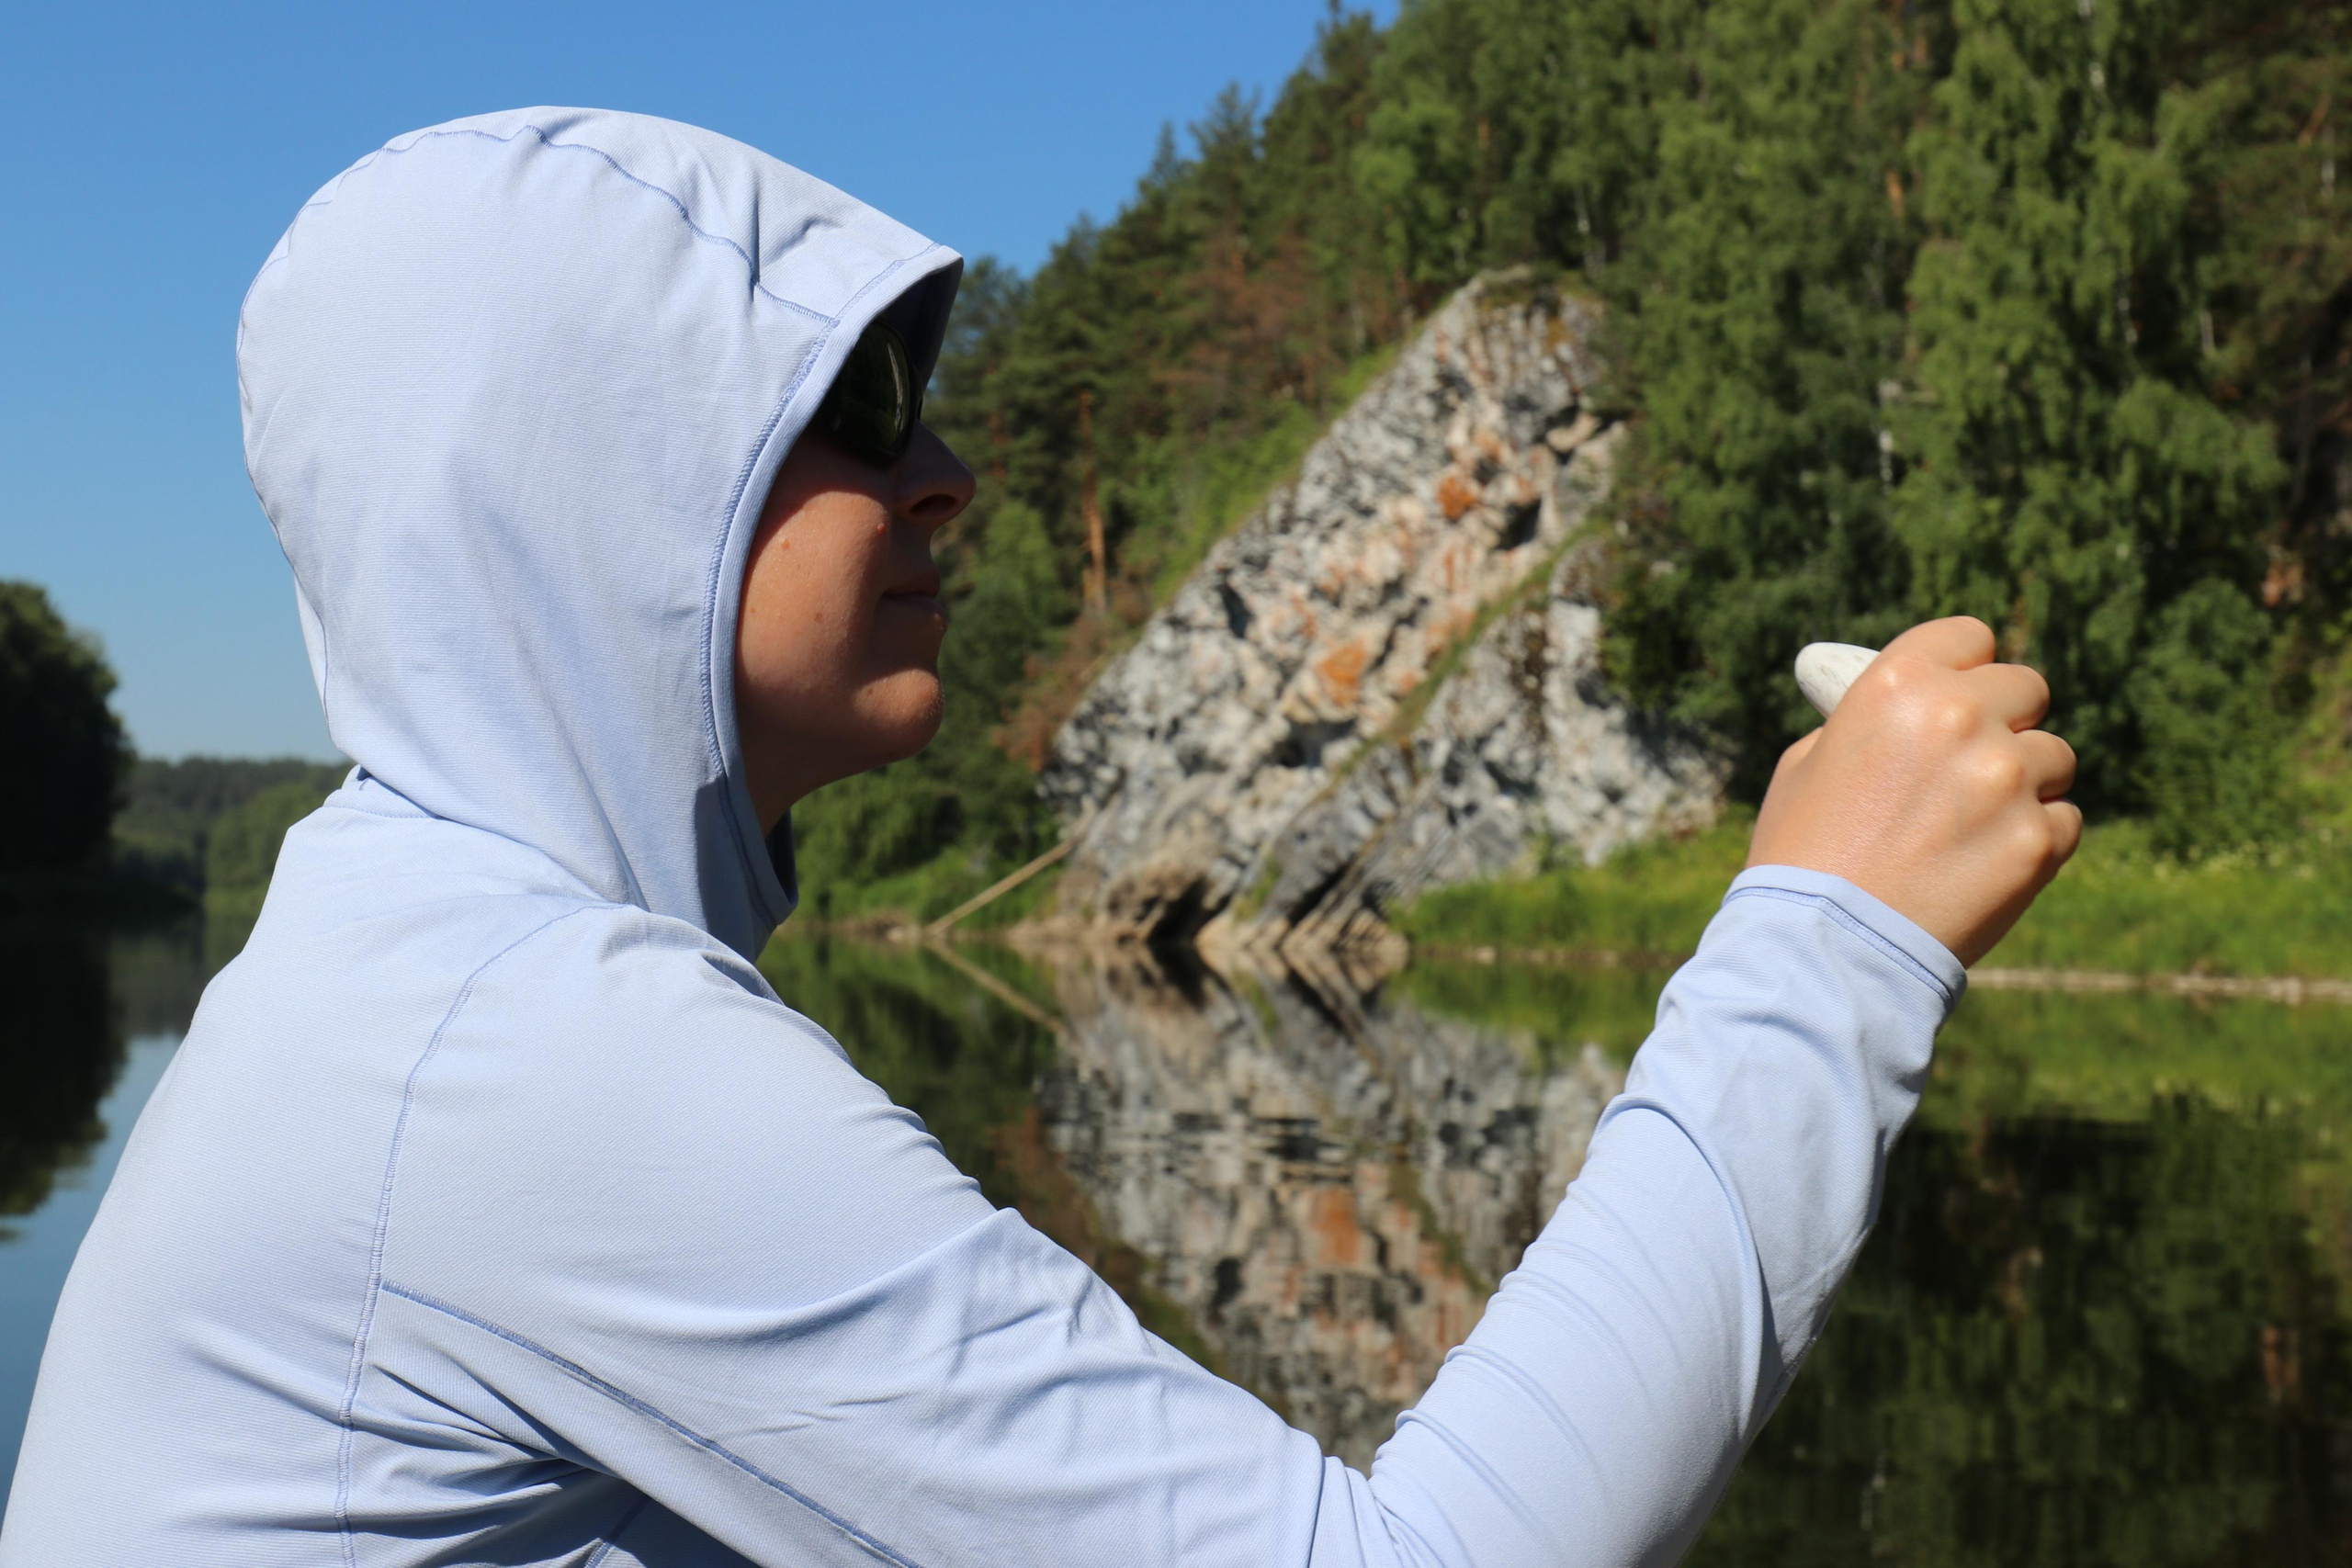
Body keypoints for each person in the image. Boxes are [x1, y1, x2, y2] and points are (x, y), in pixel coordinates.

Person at [0, 108, 2077, 1567]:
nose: (952, 475)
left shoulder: (411, 977)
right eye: (858, 399)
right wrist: (1825, 933)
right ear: (580, 484)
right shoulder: (511, 1057)